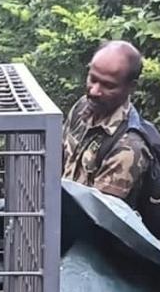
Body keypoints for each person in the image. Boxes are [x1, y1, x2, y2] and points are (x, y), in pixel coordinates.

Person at [62, 40, 151, 202]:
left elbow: (96, 214)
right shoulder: (83, 106)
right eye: (92, 79)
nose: (94, 91)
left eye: (108, 86)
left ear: (131, 87)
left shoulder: (128, 148)